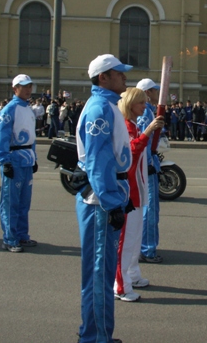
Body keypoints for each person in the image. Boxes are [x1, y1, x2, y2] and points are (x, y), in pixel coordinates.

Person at [76, 54, 133, 343]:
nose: (124, 77)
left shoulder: (108, 106)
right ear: (103, 78)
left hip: (106, 198)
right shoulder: (100, 109)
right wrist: (111, 203)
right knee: (100, 276)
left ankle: (95, 334)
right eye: (119, 73)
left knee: (101, 273)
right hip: (100, 203)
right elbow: (99, 163)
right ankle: (96, 338)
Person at [114, 87, 164, 302]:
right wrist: (148, 131)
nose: (145, 106)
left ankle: (132, 274)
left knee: (134, 238)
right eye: (141, 103)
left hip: (138, 188)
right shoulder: (125, 126)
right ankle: (121, 286)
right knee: (125, 241)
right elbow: (130, 153)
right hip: (127, 191)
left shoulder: (133, 125)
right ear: (130, 105)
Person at [0, 74, 38, 253]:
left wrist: (34, 157)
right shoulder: (9, 110)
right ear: (15, 88)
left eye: (30, 86)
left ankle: (21, 235)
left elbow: (31, 136)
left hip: (27, 159)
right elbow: (2, 137)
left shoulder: (28, 109)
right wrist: (4, 160)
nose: (28, 89)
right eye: (23, 86)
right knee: (11, 201)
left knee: (24, 201)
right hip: (14, 159)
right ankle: (10, 238)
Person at [136, 78, 164, 265]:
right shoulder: (145, 112)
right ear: (147, 93)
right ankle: (147, 249)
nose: (157, 93)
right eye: (155, 90)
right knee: (150, 209)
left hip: (147, 162)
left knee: (148, 208)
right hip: (146, 166)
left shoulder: (146, 110)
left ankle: (144, 246)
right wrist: (147, 162)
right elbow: (142, 137)